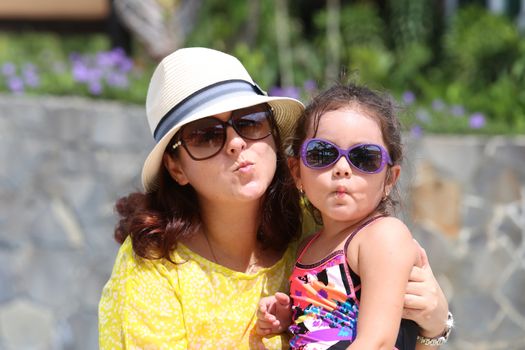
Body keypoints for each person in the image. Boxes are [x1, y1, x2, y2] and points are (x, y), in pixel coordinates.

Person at [98, 47, 451, 349]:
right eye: (205, 134)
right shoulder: (152, 265)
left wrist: (435, 327)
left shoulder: (317, 220)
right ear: (176, 168)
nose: (235, 142)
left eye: (249, 121)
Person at [256, 83, 453, 349]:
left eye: (364, 158)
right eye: (321, 154)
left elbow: (379, 341)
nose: (342, 169)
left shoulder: (383, 236)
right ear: (297, 172)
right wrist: (289, 317)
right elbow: (326, 321)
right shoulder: (307, 245)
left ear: (389, 179)